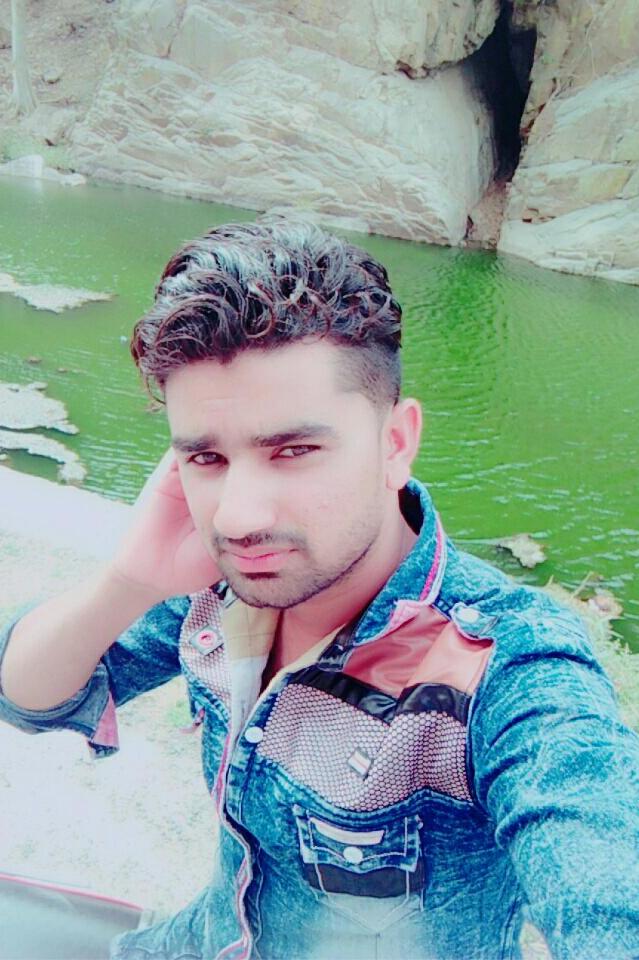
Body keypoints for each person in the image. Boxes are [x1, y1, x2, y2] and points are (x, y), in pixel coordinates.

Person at [1, 218, 638, 960]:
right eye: (206, 459)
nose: (238, 518)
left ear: (395, 442)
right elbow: (30, 698)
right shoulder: (222, 589)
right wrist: (129, 581)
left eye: (294, 450)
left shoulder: (501, 667)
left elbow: (602, 879)